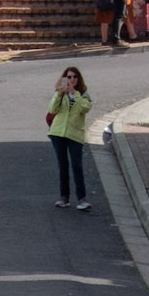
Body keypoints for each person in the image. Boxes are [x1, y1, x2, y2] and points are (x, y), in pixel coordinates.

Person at [47, 67, 91, 209]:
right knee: (63, 165)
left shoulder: (83, 94)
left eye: (75, 77)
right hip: (58, 133)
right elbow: (52, 109)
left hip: (75, 134)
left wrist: (74, 93)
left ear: (79, 79)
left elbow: (85, 108)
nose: (72, 79)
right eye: (69, 77)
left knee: (77, 166)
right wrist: (59, 94)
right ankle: (64, 198)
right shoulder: (60, 93)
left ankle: (82, 199)